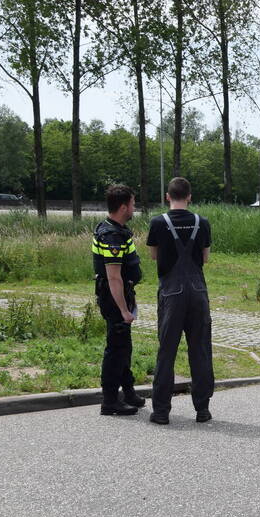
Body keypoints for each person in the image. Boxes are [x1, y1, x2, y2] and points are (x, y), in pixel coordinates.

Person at [146, 177, 214, 424]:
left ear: (167, 196)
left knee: (167, 352)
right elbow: (205, 259)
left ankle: (161, 412)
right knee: (200, 351)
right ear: (189, 196)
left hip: (171, 293)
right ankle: (202, 410)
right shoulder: (202, 222)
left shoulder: (157, 223)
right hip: (198, 292)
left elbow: (154, 256)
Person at [93, 184, 145, 416]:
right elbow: (114, 277)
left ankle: (129, 392)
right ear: (124, 207)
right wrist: (124, 310)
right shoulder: (112, 235)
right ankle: (110, 400)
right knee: (116, 349)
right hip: (115, 298)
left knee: (124, 346)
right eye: (133, 203)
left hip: (122, 295)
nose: (134, 207)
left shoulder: (116, 229)